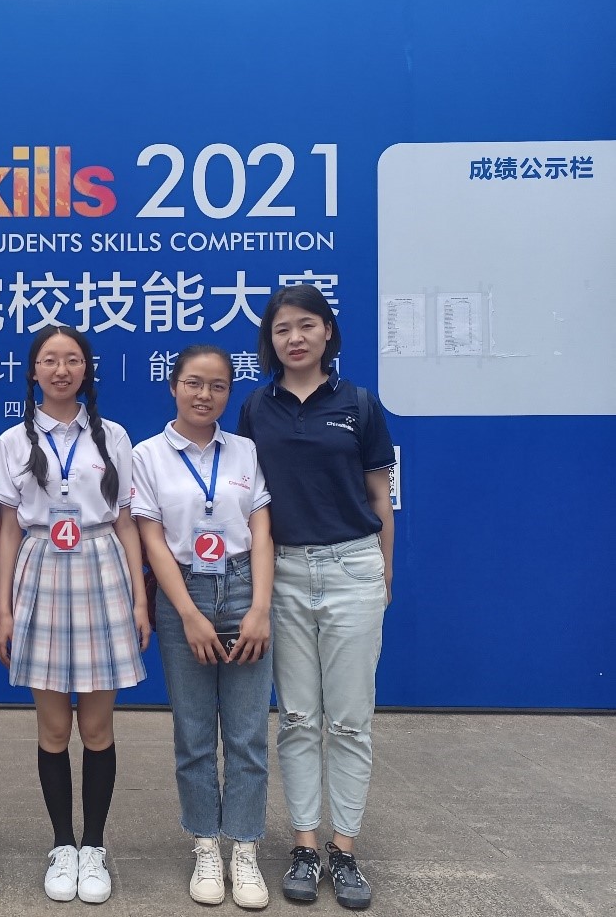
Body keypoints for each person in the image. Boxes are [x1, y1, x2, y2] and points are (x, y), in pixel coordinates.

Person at [236, 284, 395, 911]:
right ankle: (305, 845)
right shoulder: (257, 407)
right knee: (299, 717)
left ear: (327, 331)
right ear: (270, 341)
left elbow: (380, 497)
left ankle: (345, 849)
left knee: (350, 719)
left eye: (306, 325)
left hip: (353, 567)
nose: (294, 338)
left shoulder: (359, 404)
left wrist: (384, 573)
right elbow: (252, 503)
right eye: (282, 329)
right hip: (285, 572)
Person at [0, 325, 150, 905]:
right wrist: (2, 605)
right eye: (50, 360)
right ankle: (62, 844)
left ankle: (94, 847)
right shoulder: (13, 440)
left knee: (98, 728)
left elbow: (126, 519)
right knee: (54, 728)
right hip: (39, 567)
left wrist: (140, 597)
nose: (61, 370)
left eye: (72, 360)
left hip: (102, 564)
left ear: (87, 369)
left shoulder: (113, 436)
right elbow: (7, 528)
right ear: (33, 371)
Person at [132, 345, 274, 910]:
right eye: (193, 383)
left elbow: (261, 531)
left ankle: (245, 845)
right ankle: (206, 845)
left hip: (242, 587)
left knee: (247, 733)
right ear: (174, 386)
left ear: (229, 393)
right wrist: (188, 614)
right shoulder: (147, 455)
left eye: (217, 386)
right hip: (182, 591)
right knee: (193, 733)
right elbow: (152, 539)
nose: (204, 395)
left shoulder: (245, 451)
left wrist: (259, 607)